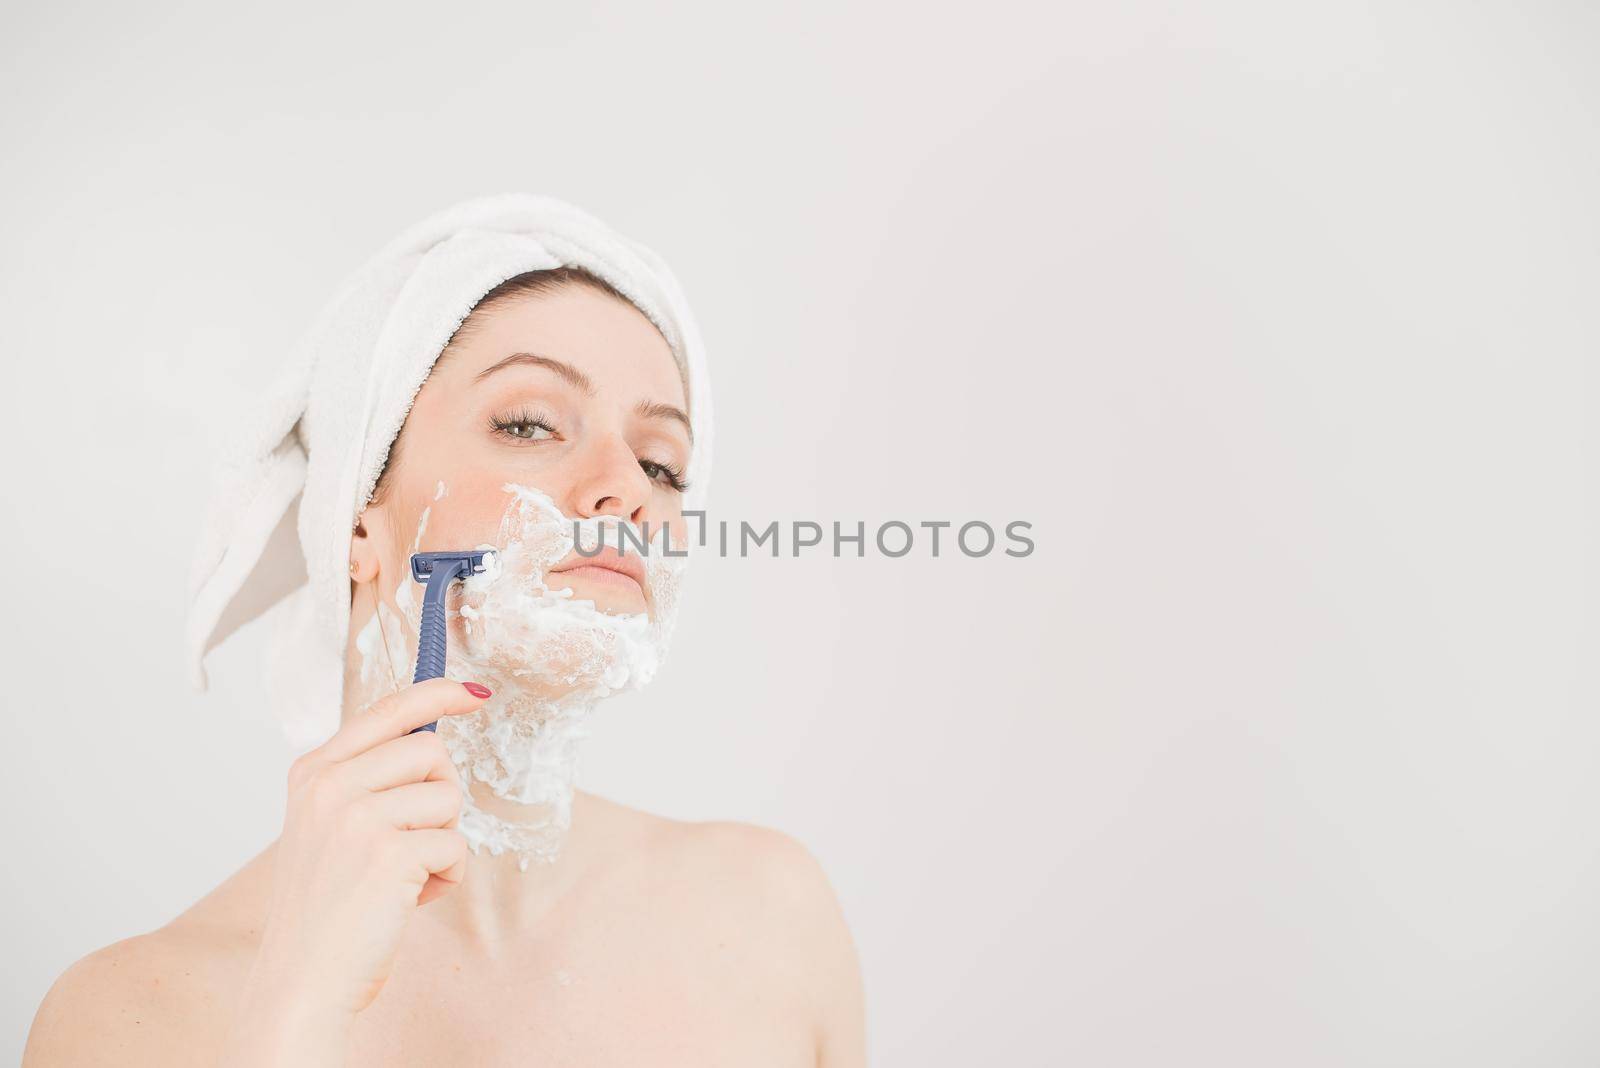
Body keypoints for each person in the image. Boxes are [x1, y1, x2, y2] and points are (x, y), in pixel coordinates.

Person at [23, 198, 867, 1066]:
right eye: (529, 423)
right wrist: (294, 1017)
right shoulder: (122, 1019)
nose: (628, 489)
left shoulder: (773, 919)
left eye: (663, 463)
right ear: (356, 520)